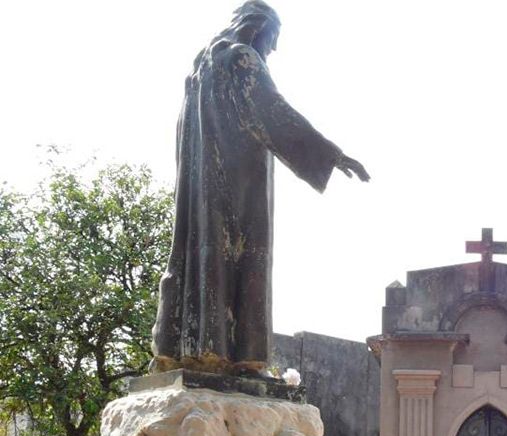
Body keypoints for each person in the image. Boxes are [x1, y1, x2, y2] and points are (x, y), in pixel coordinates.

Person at [153, 1, 369, 373]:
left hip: (198, 189)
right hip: (241, 185)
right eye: (273, 38)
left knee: (198, 257)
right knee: (246, 256)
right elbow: (273, 113)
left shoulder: (200, 72)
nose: (273, 49)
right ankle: (242, 357)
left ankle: (183, 349)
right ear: (257, 29)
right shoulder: (242, 60)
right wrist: (333, 155)